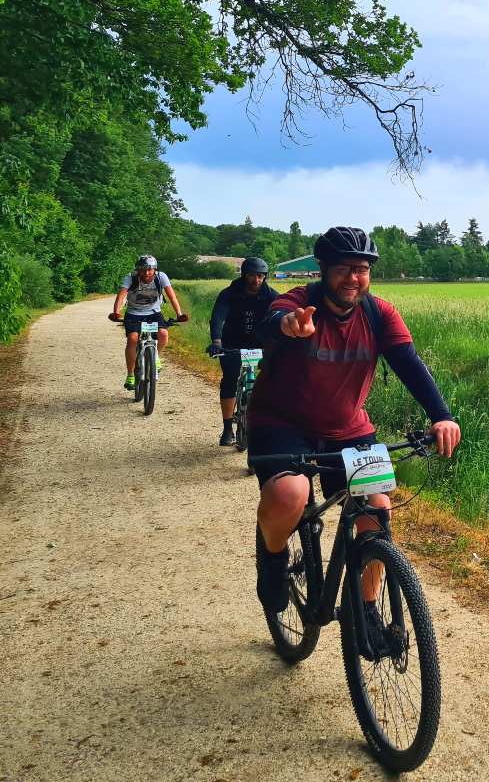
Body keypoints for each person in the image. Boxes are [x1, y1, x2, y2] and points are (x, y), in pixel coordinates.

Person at [248, 226, 461, 625]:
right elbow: (270, 323)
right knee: (291, 493)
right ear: (323, 269)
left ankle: (364, 610)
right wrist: (288, 325)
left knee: (378, 510)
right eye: (344, 268)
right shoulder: (299, 303)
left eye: (361, 269)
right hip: (280, 423)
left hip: (347, 428)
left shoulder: (379, 314)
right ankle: (273, 558)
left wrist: (442, 415)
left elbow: (409, 365)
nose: (353, 278)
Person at [206, 257, 280, 446]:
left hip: (260, 343)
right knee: (229, 379)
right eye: (252, 276)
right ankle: (227, 428)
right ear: (244, 275)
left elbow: (279, 319)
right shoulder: (229, 294)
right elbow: (218, 317)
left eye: (261, 276)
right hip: (231, 343)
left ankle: (266, 424)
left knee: (272, 382)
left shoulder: (272, 296)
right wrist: (216, 341)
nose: (256, 280)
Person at [108, 255, 188, 389]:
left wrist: (179, 314)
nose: (147, 273)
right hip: (134, 313)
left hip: (153, 313)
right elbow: (121, 296)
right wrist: (116, 312)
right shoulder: (130, 278)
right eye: (143, 270)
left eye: (150, 270)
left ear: (155, 269)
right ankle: (130, 375)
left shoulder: (161, 277)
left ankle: (155, 356)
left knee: (163, 334)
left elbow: (172, 296)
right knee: (133, 339)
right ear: (138, 270)